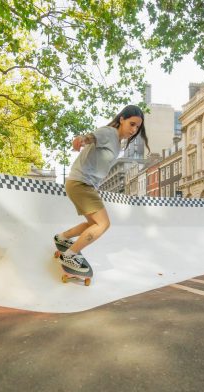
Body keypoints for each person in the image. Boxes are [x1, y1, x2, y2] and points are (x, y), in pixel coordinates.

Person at [54, 105, 149, 272]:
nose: (134, 130)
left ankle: (62, 238)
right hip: (81, 184)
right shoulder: (109, 132)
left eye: (137, 127)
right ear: (121, 119)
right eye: (132, 124)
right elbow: (90, 138)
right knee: (103, 224)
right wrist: (80, 140)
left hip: (82, 184)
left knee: (93, 224)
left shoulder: (118, 143)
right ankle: (70, 255)